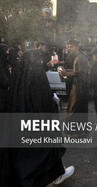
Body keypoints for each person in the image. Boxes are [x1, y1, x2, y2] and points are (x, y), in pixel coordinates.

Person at [6, 49, 74, 186]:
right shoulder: (37, 75)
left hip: (21, 124)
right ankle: (55, 174)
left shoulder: (18, 75)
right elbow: (43, 102)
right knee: (47, 149)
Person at [59, 40, 89, 124]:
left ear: (77, 47)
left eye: (71, 47)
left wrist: (66, 73)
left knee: (75, 107)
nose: (69, 48)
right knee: (73, 106)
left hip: (80, 86)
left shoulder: (81, 57)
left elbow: (81, 72)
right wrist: (66, 70)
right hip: (75, 85)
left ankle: (76, 132)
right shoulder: (75, 56)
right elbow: (76, 70)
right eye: (68, 47)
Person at [0, 43, 10, 113]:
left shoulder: (3, 60)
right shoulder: (1, 61)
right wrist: (7, 83)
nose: (8, 52)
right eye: (6, 50)